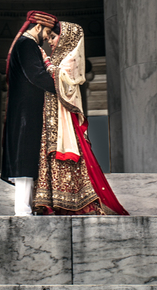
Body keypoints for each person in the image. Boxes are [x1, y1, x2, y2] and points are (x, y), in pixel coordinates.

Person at [33, 20, 128, 215]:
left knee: (65, 152)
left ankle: (73, 203)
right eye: (49, 37)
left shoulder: (69, 59)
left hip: (64, 118)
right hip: (51, 115)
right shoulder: (57, 57)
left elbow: (63, 80)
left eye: (53, 37)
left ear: (66, 37)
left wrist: (46, 62)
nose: (50, 41)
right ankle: (52, 200)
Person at [0, 9, 60, 216]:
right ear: (38, 26)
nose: (47, 37)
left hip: (25, 110)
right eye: (47, 32)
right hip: (26, 112)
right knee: (25, 160)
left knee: (27, 158)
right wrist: (63, 87)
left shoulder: (25, 45)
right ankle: (23, 209)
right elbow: (37, 75)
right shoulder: (27, 45)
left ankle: (26, 207)